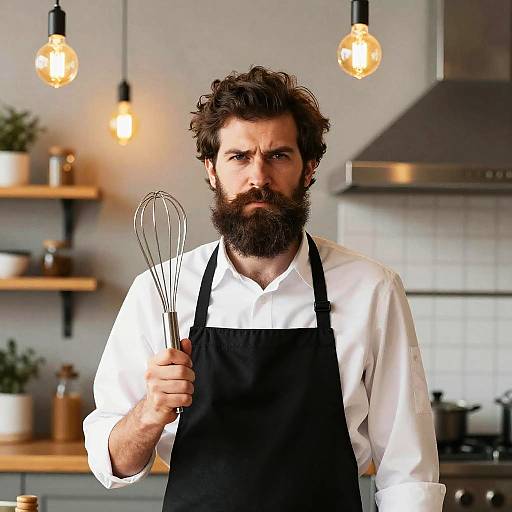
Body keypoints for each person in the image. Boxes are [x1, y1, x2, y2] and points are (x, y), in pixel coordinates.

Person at [83, 66, 446, 511]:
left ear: (308, 168)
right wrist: (152, 410)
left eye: (278, 156)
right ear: (212, 170)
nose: (259, 177)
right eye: (239, 157)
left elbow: (408, 471)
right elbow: (112, 466)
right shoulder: (159, 292)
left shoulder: (372, 290)